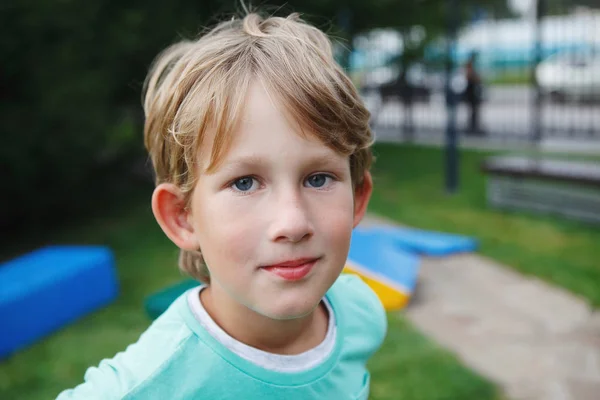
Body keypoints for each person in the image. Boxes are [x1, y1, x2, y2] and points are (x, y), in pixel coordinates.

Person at [56, 11, 386, 400]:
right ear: (183, 217)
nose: (293, 222)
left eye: (318, 178)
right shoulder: (150, 382)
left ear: (358, 198)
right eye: (244, 183)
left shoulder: (360, 315)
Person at [464, 52, 484, 135]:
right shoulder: (469, 67)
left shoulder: (471, 67)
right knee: (473, 112)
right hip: (471, 94)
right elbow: (470, 77)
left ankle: (473, 127)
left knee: (474, 112)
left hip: (473, 93)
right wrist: (477, 78)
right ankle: (472, 128)